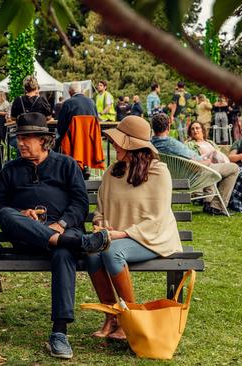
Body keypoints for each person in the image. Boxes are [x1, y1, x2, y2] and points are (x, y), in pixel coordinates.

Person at [0, 112, 110, 360]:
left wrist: (61, 225)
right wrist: (22, 213)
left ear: (44, 140)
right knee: (7, 214)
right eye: (19, 138)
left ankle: (59, 333)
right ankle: (77, 243)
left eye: (27, 138)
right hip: (27, 238)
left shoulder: (66, 164)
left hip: (65, 233)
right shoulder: (10, 170)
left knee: (63, 250)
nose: (20, 143)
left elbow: (80, 204)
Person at [86, 115, 183, 340]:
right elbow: (101, 205)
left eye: (118, 141)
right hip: (115, 236)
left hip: (152, 238)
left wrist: (122, 233)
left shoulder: (159, 172)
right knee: (91, 252)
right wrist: (99, 224)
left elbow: (157, 218)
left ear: (133, 146)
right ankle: (112, 316)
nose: (113, 144)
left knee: (112, 251)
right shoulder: (114, 171)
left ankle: (131, 317)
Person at [151, 113, 239, 216]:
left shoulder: (151, 144)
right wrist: (208, 161)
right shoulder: (172, 144)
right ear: (168, 126)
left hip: (170, 178)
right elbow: (197, 163)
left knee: (209, 169)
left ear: (153, 127)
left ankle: (208, 202)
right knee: (234, 168)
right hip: (192, 176)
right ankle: (217, 206)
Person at [56, 81, 98, 146]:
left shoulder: (67, 103)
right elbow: (96, 123)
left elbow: (60, 127)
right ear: (81, 91)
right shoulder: (92, 102)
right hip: (90, 141)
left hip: (72, 142)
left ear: (69, 92)